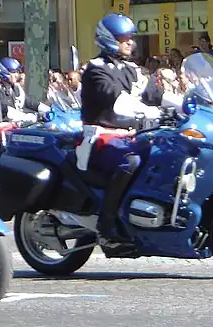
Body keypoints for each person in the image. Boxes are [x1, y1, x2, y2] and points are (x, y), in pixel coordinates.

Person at [77, 13, 163, 250]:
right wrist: (149, 112)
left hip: (128, 136)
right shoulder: (96, 70)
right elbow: (117, 101)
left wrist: (187, 103)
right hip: (100, 137)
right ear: (109, 39)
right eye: (124, 38)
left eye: (130, 38)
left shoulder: (133, 70)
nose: (130, 42)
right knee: (132, 161)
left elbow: (156, 95)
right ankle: (107, 225)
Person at [0, 57, 49, 123]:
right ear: (4, 71)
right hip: (0, 127)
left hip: (15, 126)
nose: (17, 75)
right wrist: (26, 117)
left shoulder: (16, 88)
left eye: (17, 72)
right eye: (13, 72)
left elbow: (30, 101)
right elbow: (5, 109)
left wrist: (46, 109)